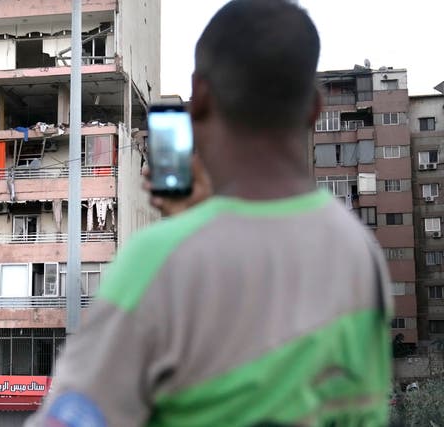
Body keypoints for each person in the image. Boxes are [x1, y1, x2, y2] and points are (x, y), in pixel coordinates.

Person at [27, 0, 392, 425]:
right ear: (314, 109)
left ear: (199, 97)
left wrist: (187, 237)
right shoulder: (361, 255)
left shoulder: (160, 263)